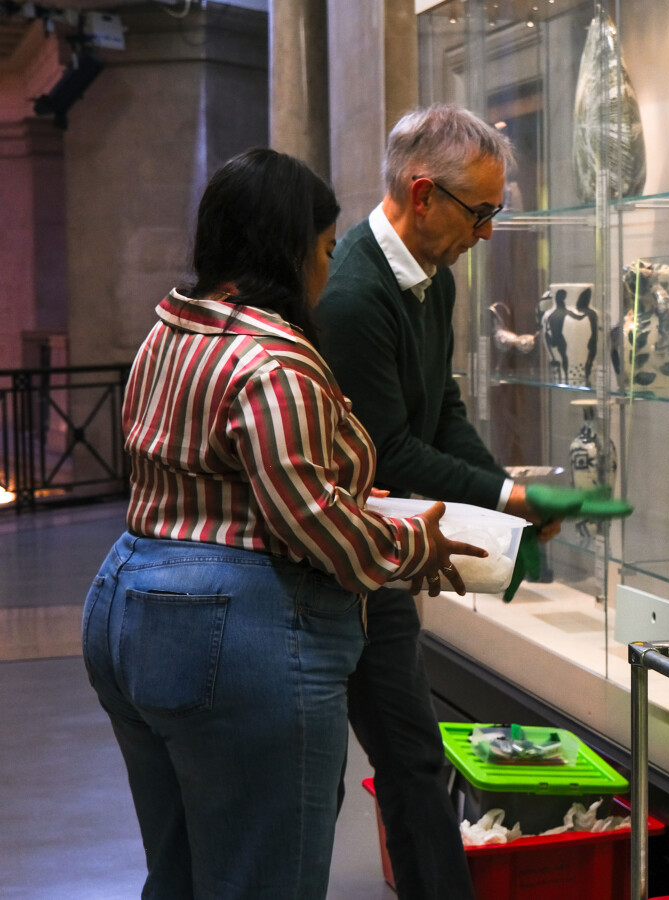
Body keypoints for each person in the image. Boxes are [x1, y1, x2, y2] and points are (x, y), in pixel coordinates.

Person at [81, 147, 484, 900]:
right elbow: (311, 521)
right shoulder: (274, 360)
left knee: (180, 875)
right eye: (327, 249)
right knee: (266, 879)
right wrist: (413, 545)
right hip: (237, 632)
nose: (329, 270)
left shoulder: (167, 334)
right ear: (288, 248)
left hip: (128, 606)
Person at [316, 104, 628, 900]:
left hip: (379, 557)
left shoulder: (431, 279)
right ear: (423, 195)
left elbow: (442, 410)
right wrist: (511, 495)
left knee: (412, 761)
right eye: (481, 212)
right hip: (341, 567)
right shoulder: (356, 292)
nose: (487, 232)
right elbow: (388, 448)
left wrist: (508, 498)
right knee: (392, 766)